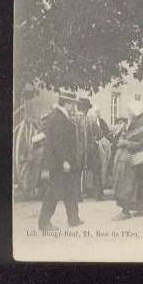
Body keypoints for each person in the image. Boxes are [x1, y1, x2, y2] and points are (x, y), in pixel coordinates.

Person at [38, 90, 83, 230]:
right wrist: (64, 160)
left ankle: (73, 219)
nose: (74, 107)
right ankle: (44, 222)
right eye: (73, 104)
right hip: (60, 163)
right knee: (54, 192)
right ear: (67, 103)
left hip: (64, 161)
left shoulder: (60, 115)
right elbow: (58, 142)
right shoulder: (58, 117)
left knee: (70, 190)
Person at [113, 101, 143, 220]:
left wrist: (125, 142)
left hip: (138, 160)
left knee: (129, 185)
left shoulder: (142, 124)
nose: (129, 113)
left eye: (130, 111)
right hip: (140, 162)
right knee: (142, 186)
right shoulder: (138, 121)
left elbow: (142, 144)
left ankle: (125, 211)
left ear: (134, 111)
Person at [75, 97, 102, 200]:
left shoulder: (72, 120)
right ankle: (98, 195)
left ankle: (77, 196)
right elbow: (99, 135)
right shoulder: (91, 120)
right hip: (91, 151)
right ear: (86, 109)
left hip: (77, 151)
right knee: (97, 171)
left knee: (76, 173)